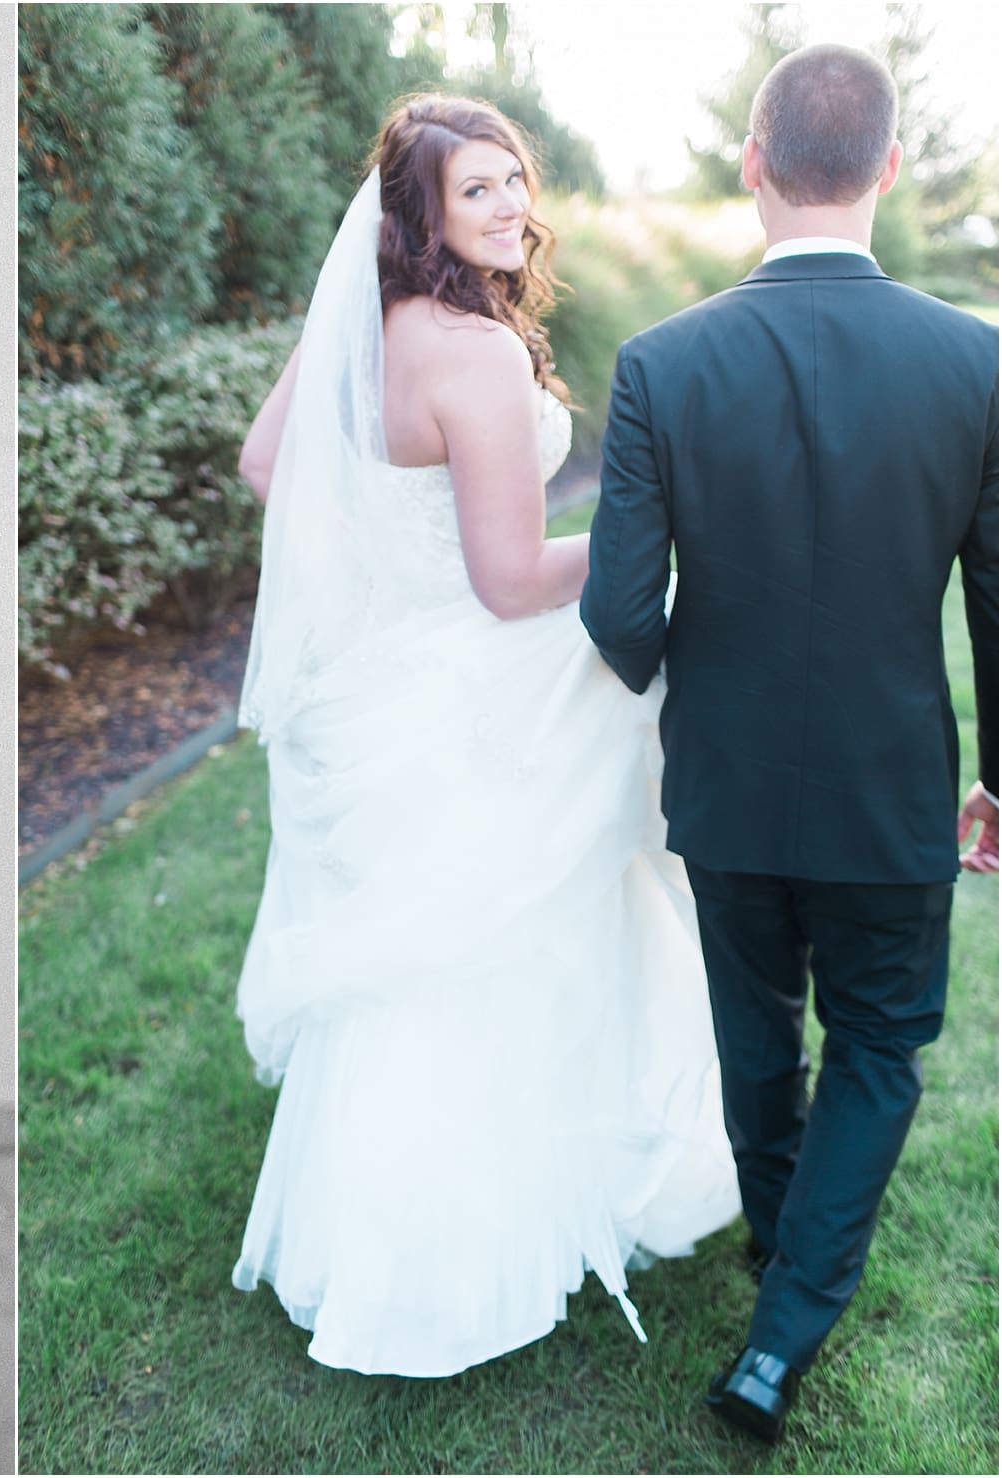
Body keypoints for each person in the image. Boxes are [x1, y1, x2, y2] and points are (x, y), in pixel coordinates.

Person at [230, 95, 741, 1379]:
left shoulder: (365, 326)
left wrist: (379, 570)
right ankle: (509, 1220)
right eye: (479, 192)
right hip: (469, 681)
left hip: (380, 680)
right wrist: (655, 541)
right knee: (527, 925)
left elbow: (261, 462)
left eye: (516, 179)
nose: (513, 204)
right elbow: (511, 580)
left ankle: (369, 1248)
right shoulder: (479, 354)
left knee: (418, 963)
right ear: (425, 216)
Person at [582, 44, 996, 1443]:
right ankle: (783, 1329)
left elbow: (618, 615)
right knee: (877, 1044)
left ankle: (777, 1264)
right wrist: (995, 766)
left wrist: (690, 657)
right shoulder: (974, 361)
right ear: (885, 166)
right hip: (891, 789)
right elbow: (994, 596)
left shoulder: (658, 363)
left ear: (748, 164)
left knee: (753, 1034)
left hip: (725, 779)